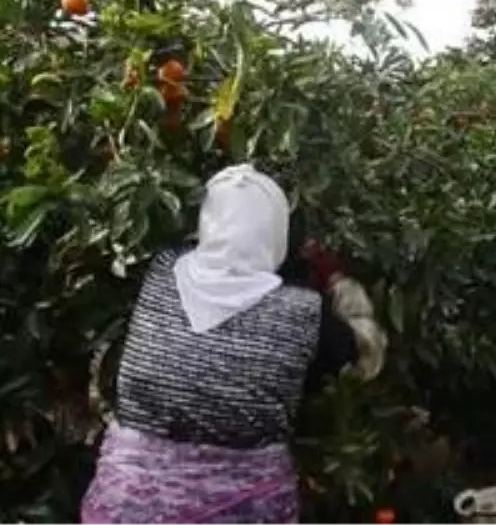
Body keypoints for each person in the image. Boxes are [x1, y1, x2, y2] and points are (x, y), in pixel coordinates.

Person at [81, 164, 387, 524]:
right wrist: (335, 279)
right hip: (244, 510)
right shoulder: (301, 312)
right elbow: (366, 352)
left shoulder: (162, 271)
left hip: (124, 509)